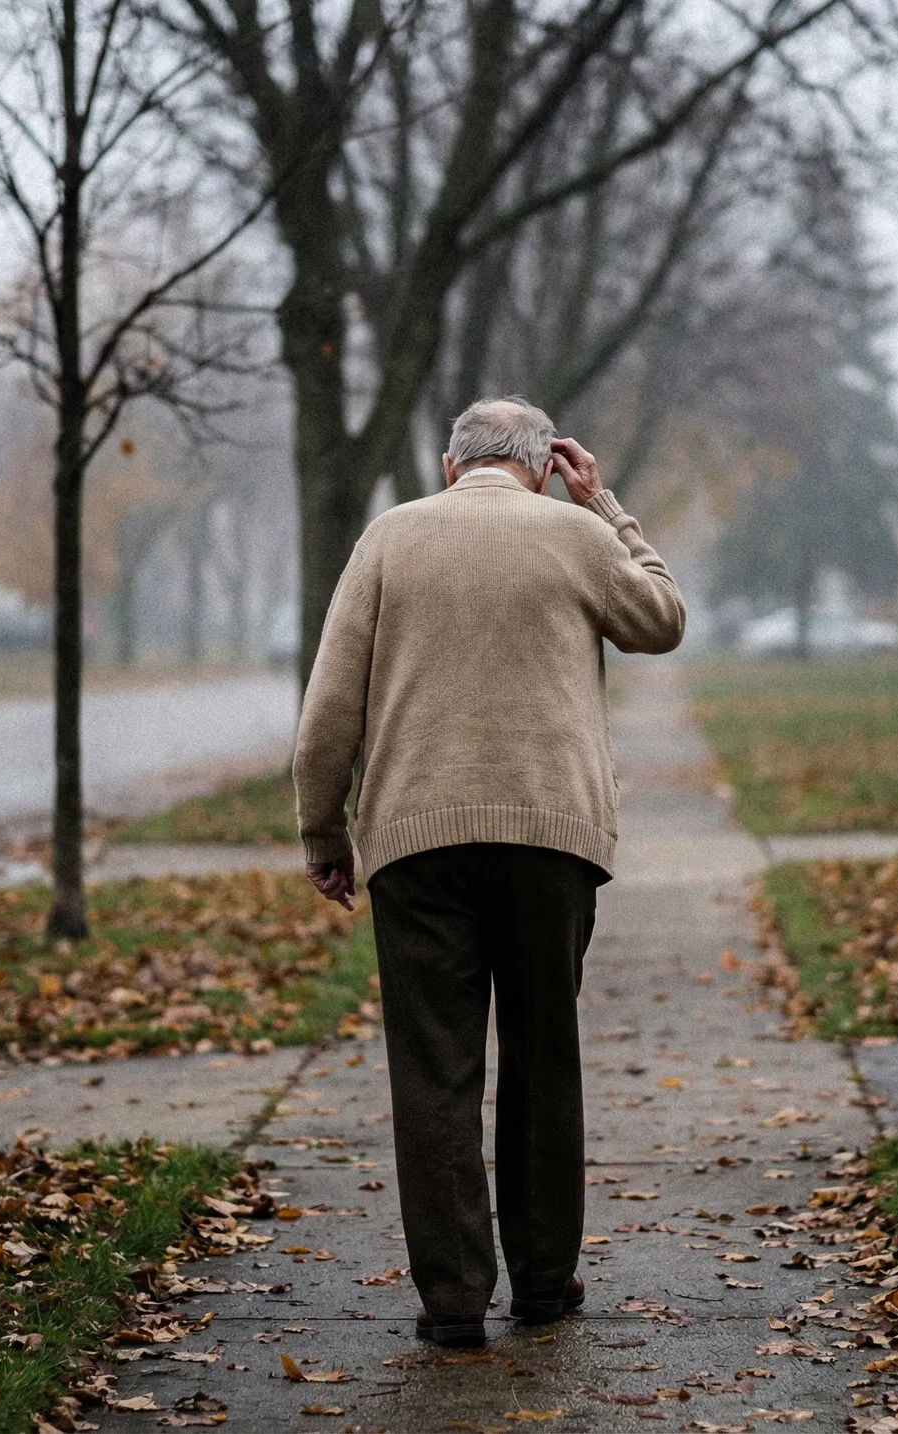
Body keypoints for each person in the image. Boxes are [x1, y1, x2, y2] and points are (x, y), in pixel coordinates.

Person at [292, 395, 686, 1348]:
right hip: (552, 841)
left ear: (449, 465)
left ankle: (454, 1299)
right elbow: (663, 620)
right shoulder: (578, 537)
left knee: (434, 1071)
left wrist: (323, 832)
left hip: (416, 843)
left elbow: (330, 706)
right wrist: (604, 506)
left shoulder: (391, 539)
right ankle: (544, 1282)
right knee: (544, 1057)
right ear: (545, 467)